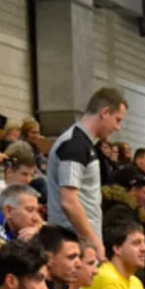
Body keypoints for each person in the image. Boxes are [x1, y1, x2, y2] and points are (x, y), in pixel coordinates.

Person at [50, 86, 128, 254]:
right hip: (73, 244)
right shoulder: (75, 145)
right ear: (105, 112)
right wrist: (94, 241)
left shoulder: (85, 145)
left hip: (81, 242)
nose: (118, 127)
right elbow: (69, 202)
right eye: (117, 120)